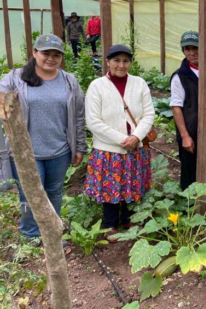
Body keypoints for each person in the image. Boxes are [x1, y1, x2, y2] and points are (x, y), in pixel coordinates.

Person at [0, 34, 87, 240]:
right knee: (30, 195)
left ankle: (52, 233)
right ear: (34, 53)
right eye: (46, 53)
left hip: (60, 151)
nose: (51, 58)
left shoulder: (69, 81)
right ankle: (31, 235)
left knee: (54, 192)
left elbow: (78, 116)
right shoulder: (15, 78)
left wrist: (80, 147)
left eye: (56, 55)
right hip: (26, 154)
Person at [84, 44, 154, 241]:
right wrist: (122, 139)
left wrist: (136, 137)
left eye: (125, 61)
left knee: (132, 184)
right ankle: (109, 224)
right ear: (107, 62)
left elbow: (149, 114)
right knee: (111, 187)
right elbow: (93, 121)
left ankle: (128, 219)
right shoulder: (97, 86)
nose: (121, 65)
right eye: (116, 60)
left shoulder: (139, 83)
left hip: (135, 146)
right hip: (109, 149)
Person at [170, 31, 201, 190]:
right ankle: (188, 204)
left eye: (195, 47)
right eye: (187, 49)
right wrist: (184, 136)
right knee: (189, 170)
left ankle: (203, 200)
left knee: (202, 167)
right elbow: (176, 107)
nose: (192, 52)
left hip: (205, 131)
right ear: (183, 51)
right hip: (190, 131)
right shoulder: (180, 76)